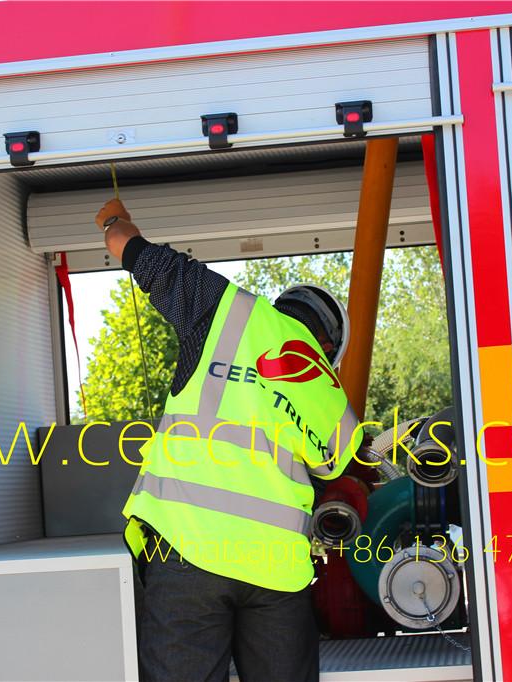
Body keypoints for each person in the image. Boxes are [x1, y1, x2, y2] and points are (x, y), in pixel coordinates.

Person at [95, 198, 362, 682]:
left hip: (185, 554)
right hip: (276, 572)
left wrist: (114, 218)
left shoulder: (223, 311)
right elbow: (334, 470)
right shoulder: (329, 391)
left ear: (281, 309)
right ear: (329, 349)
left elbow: (129, 248)